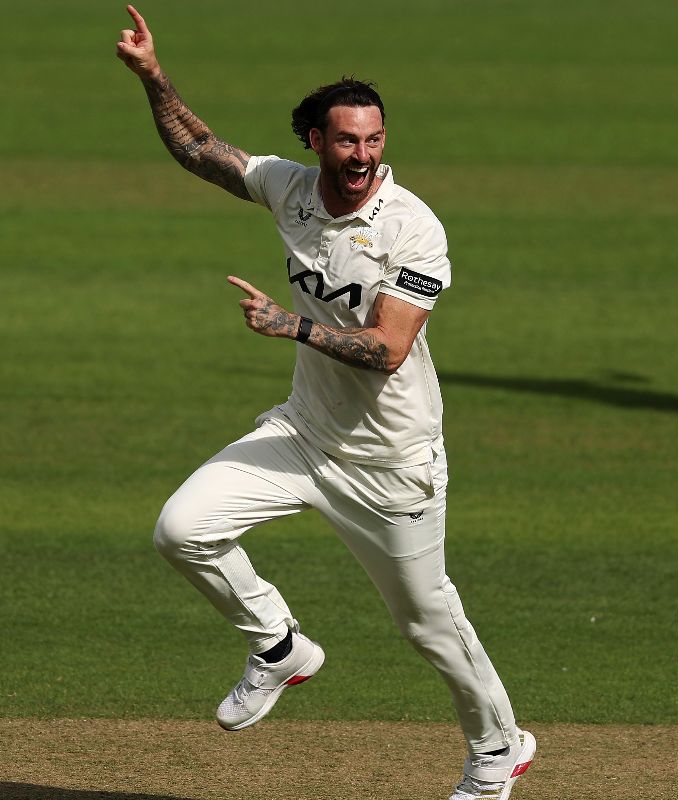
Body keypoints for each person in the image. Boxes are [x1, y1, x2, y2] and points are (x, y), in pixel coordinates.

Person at [116, 5, 535, 799]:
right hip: (304, 434)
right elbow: (202, 152)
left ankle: (500, 747)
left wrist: (290, 326)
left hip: (390, 461)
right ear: (317, 140)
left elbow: (388, 350)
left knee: (426, 627)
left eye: (374, 140)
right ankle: (277, 645)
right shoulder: (292, 188)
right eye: (347, 140)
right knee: (182, 530)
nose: (363, 155)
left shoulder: (412, 228)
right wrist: (153, 77)